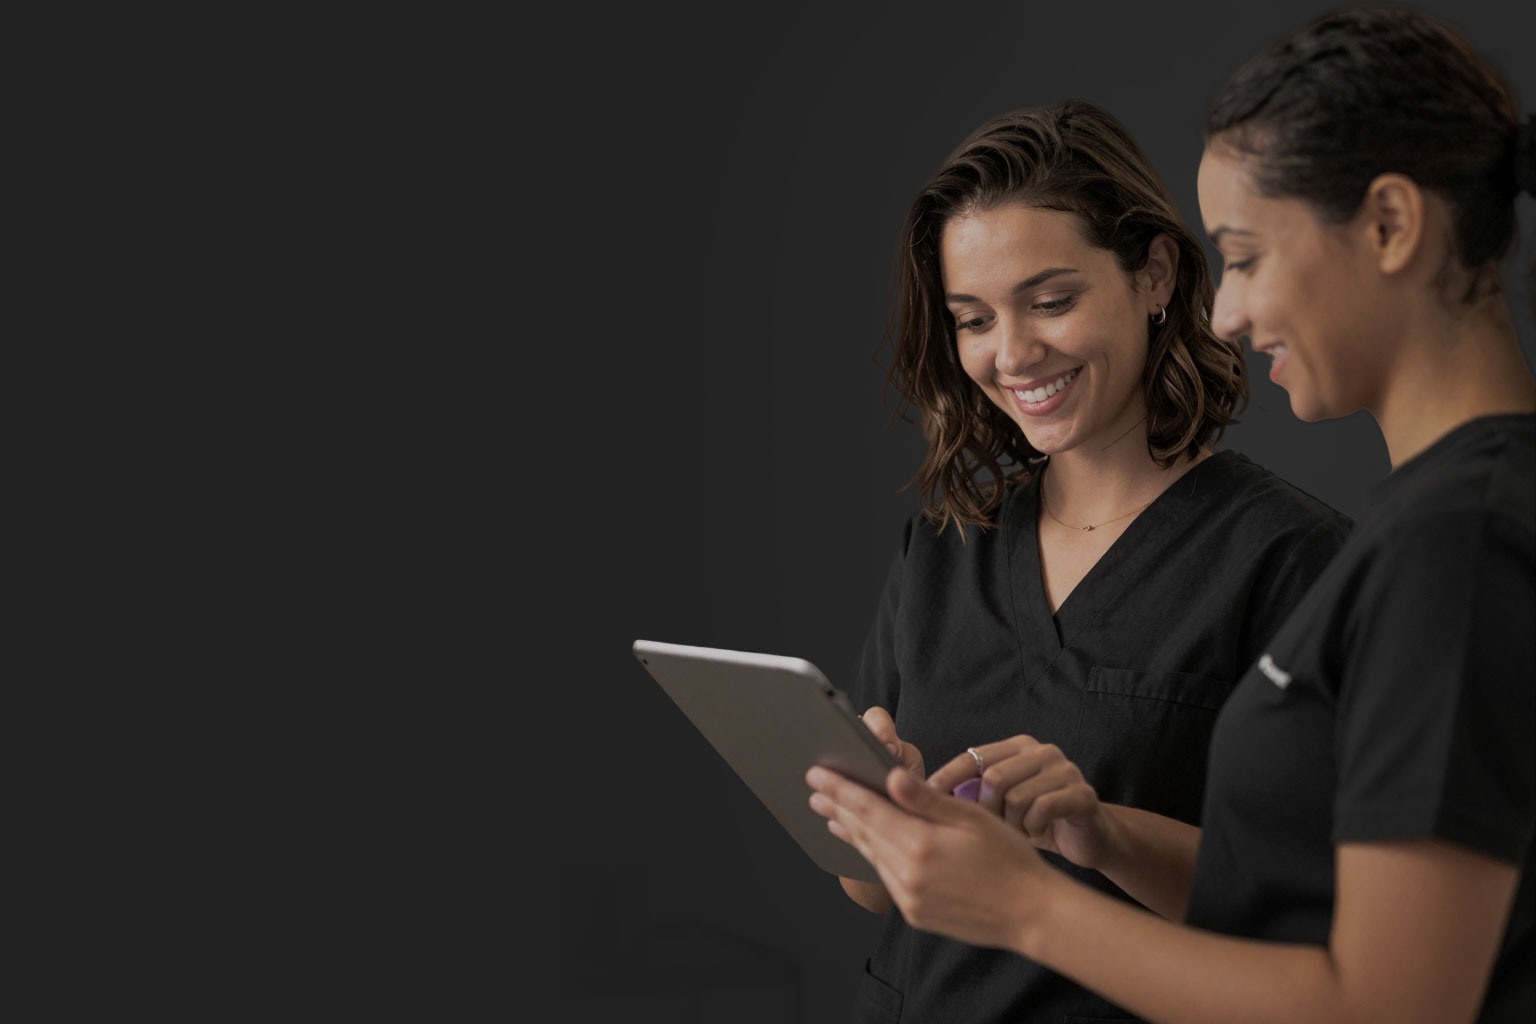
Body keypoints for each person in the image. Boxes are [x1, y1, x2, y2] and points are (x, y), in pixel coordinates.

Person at [809, 7, 1536, 1023]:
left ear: (1389, 226)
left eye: (1244, 255)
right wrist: (1063, 836)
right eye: (974, 318)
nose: (1227, 310)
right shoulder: (1429, 530)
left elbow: (1380, 995)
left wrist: (1032, 908)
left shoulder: (1446, 546)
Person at [831, 99, 1351, 1022]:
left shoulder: (1293, 562)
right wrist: (884, 810)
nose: (1012, 354)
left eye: (1052, 301)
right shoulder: (948, 545)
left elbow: (1313, 914)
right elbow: (871, 894)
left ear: (1153, 274)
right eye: (972, 319)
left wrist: (1103, 832)